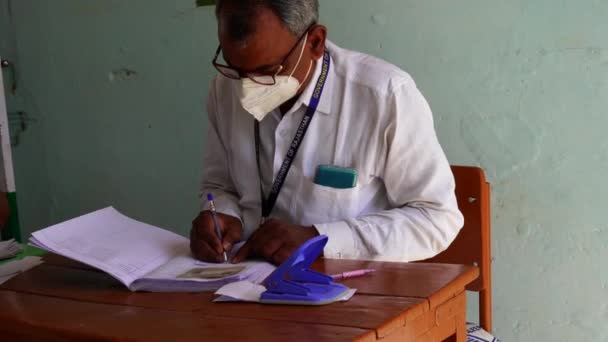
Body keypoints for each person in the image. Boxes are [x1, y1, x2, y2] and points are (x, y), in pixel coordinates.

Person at [190, 0, 464, 266]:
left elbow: (437, 219)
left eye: (267, 71)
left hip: (350, 288)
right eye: (236, 69)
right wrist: (222, 217)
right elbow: (220, 187)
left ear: (315, 43)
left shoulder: (384, 97)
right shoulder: (224, 89)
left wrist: (319, 239)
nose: (248, 86)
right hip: (243, 278)